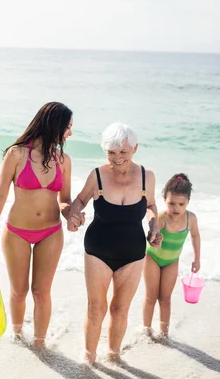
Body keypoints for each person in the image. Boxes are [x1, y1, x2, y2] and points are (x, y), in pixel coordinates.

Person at [68, 122, 162, 364]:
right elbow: (79, 200)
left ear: (135, 149)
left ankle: (114, 356)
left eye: (123, 152)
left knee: (120, 309)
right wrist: (74, 214)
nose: (117, 158)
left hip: (133, 253)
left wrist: (154, 226)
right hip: (98, 250)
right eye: (111, 152)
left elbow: (151, 206)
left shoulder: (146, 177)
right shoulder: (97, 175)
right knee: (96, 308)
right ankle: (88, 359)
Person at [0, 102, 76, 348]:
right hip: (17, 232)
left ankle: (40, 345)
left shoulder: (63, 160)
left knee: (41, 292)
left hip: (51, 232)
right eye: (67, 127)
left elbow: (64, 200)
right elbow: (0, 194)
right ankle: (17, 338)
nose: (69, 133)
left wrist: (71, 215)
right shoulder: (17, 154)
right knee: (19, 291)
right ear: (54, 125)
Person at [143, 173, 201, 338]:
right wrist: (154, 238)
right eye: (171, 203)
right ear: (164, 199)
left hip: (171, 262)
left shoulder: (191, 219)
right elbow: (151, 235)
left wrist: (197, 258)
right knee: (151, 296)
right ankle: (146, 330)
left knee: (165, 298)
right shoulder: (161, 218)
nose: (176, 208)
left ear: (188, 201)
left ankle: (164, 332)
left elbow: (196, 236)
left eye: (181, 204)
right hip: (152, 259)